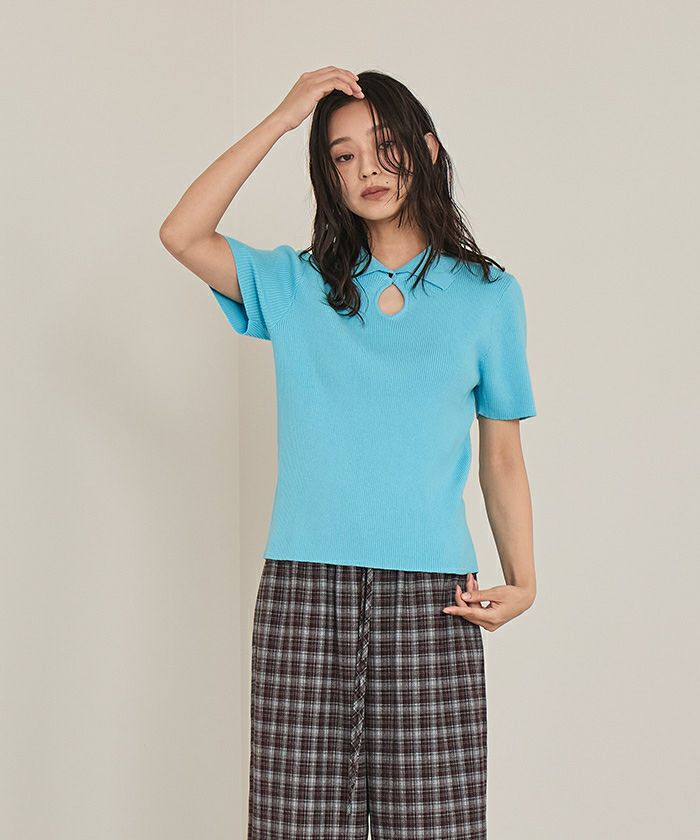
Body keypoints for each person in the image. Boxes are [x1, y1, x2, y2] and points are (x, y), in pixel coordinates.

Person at [160, 66, 538, 840]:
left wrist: (524, 579)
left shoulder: (488, 296)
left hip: (434, 603)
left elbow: (501, 455)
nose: (366, 167)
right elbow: (182, 234)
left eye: (385, 144)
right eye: (342, 155)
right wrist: (282, 116)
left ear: (426, 150)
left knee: (436, 827)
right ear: (327, 175)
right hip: (303, 596)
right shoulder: (297, 285)